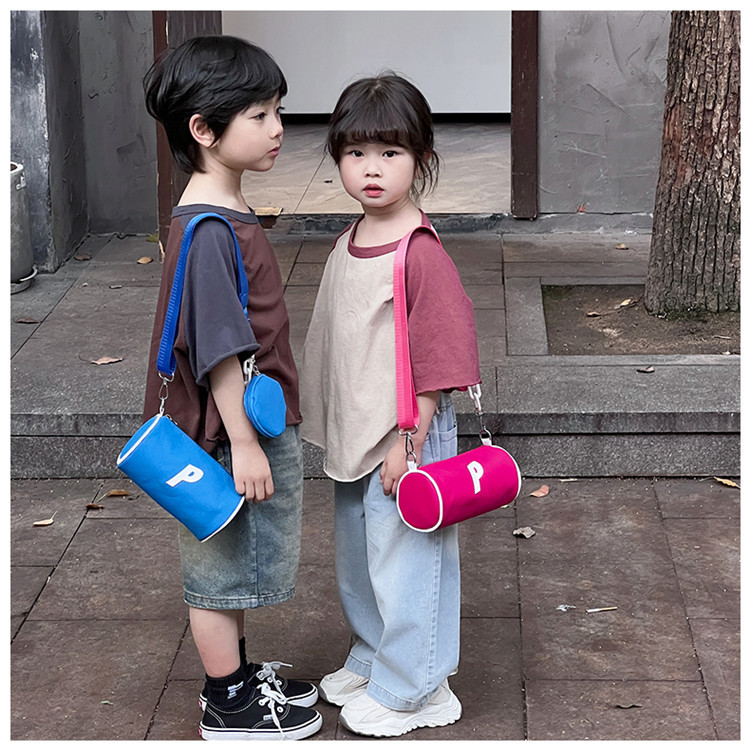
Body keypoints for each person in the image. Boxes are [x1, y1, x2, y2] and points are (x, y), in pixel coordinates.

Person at [141, 35, 322, 741]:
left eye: (279, 111)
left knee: (233, 563)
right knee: (218, 571)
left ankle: (240, 680)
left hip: (229, 428)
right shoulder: (212, 229)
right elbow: (219, 350)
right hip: (224, 435)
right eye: (259, 115)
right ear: (204, 130)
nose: (277, 128)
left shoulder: (215, 212)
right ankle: (229, 703)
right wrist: (243, 445)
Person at [300, 73, 480, 737]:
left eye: (390, 152)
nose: (371, 168)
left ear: (421, 159)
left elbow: (439, 355)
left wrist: (411, 441)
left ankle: (418, 686)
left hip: (405, 436)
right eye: (356, 153)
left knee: (408, 560)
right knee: (360, 555)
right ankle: (375, 653)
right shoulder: (350, 239)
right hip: (360, 432)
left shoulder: (419, 253)